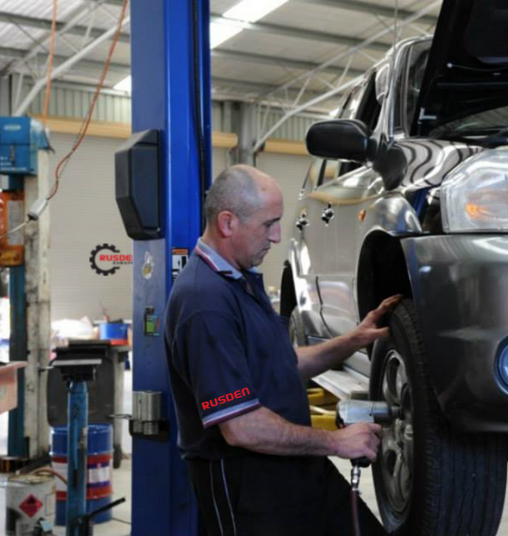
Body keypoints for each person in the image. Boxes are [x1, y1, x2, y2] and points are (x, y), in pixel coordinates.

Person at [165, 164, 401, 536]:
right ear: (228, 223)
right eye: (268, 224)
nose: (277, 237)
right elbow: (241, 427)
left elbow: (283, 364)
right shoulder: (204, 302)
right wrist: (336, 441)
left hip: (298, 464)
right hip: (250, 488)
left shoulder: (239, 280)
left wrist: (353, 339)